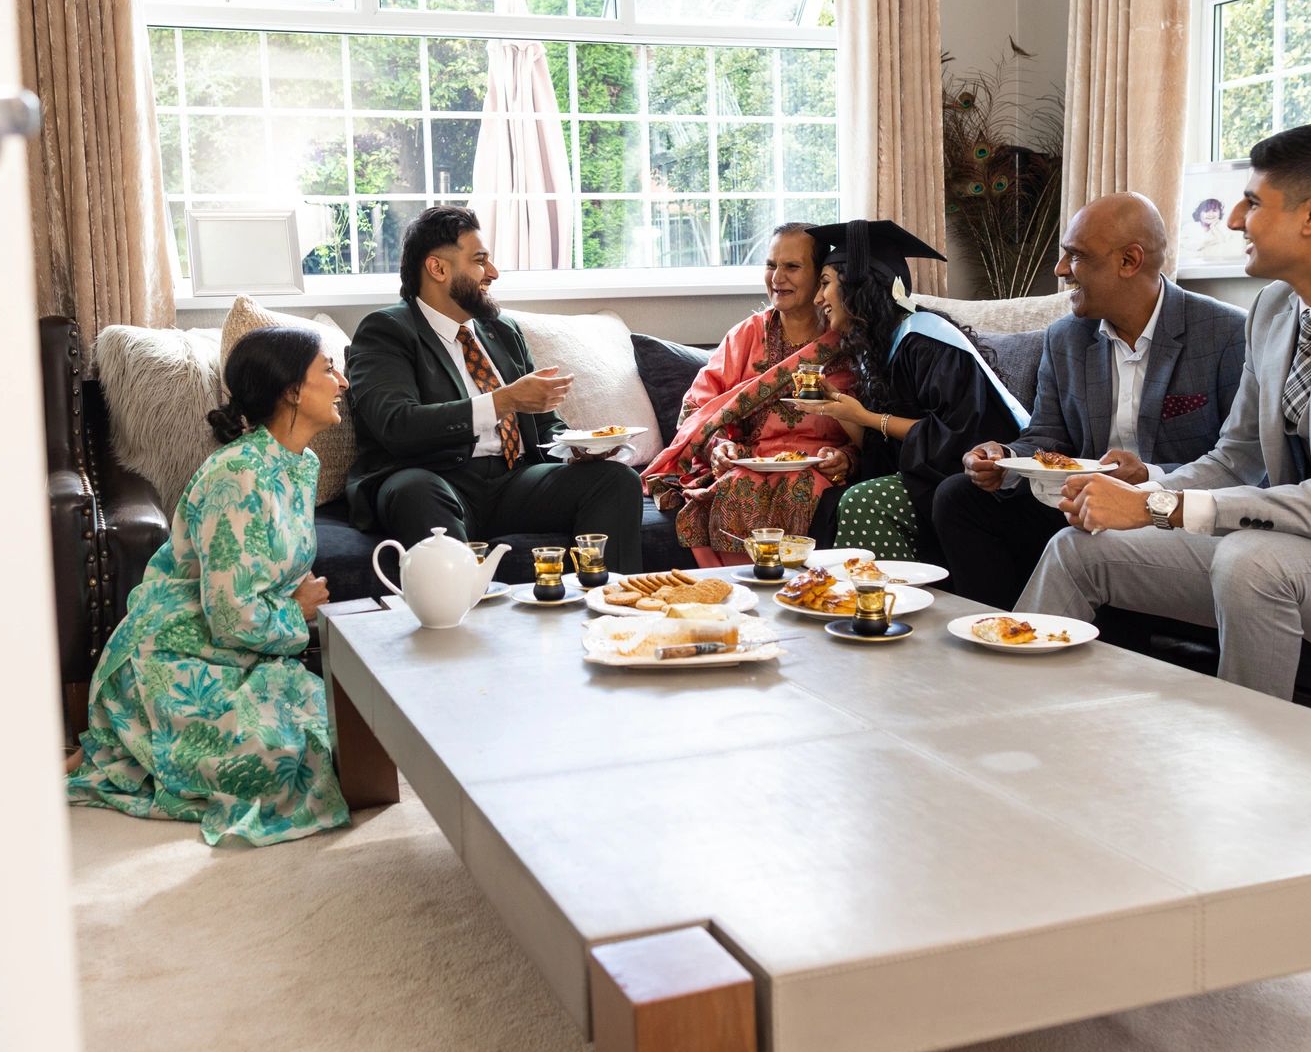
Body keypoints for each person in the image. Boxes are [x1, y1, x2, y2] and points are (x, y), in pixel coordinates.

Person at [1018, 118, 1311, 699]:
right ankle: (1020, 720)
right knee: (1080, 548)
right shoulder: (1275, 308)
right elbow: (1235, 458)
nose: (1232, 219)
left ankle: (1237, 770)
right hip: (1295, 548)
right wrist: (1132, 504)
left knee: (1252, 562)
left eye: (1253, 203)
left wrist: (1161, 504)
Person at [66, 325, 352, 846]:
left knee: (343, 738)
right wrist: (298, 610)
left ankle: (122, 747)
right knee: (290, 760)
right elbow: (229, 614)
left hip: (247, 654)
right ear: (291, 390)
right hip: (177, 651)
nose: (342, 383)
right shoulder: (237, 477)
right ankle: (123, 740)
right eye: (328, 370)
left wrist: (289, 603)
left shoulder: (301, 464)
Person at [932, 193, 1247, 608]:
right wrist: (1005, 458)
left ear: (1129, 262)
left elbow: (1242, 466)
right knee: (958, 498)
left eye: (1075, 256)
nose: (1061, 271)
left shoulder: (1227, 334)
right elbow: (1047, 436)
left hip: (1168, 511)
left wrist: (1148, 476)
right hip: (1081, 504)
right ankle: (999, 633)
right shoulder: (1066, 337)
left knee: (1092, 532)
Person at [344, 205, 645, 571]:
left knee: (615, 481)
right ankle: (457, 617)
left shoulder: (501, 330)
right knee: (414, 491)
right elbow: (397, 425)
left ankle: (607, 611)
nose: (493, 273)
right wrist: (502, 401)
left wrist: (577, 450)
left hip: (513, 480)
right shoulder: (387, 330)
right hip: (434, 479)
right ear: (437, 268)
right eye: (480, 261)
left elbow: (545, 424)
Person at [789, 218, 1028, 562]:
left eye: (825, 283)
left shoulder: (927, 340)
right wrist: (839, 409)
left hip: (982, 480)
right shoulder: (879, 348)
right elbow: (884, 451)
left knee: (862, 502)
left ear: (856, 284)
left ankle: (891, 603)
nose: (818, 298)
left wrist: (868, 416)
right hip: (928, 477)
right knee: (834, 498)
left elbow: (954, 437)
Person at [641, 224, 856, 564]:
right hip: (748, 461)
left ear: (821, 277)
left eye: (792, 267)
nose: (777, 278)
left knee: (801, 490)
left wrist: (846, 458)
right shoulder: (746, 335)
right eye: (771, 265)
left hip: (817, 468)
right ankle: (742, 599)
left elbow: (870, 424)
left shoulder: (846, 340)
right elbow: (699, 407)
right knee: (738, 486)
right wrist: (719, 447)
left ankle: (801, 596)